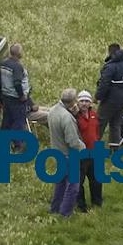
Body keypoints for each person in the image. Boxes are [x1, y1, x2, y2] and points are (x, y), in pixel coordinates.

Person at [48, 88, 85, 218]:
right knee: (73, 186)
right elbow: (72, 142)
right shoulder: (67, 118)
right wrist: (83, 147)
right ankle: (65, 213)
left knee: (60, 183)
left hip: (57, 152)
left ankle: (55, 208)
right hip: (69, 155)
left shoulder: (53, 110)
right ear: (73, 101)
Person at [95, 42, 123, 146]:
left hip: (110, 100)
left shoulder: (110, 67)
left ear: (110, 52)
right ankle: (115, 148)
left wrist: (97, 97)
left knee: (100, 122)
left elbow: (104, 85)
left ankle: (93, 147)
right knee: (115, 124)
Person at [0, 43, 32, 147]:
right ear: (19, 53)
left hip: (6, 96)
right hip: (16, 98)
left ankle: (2, 142)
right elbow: (17, 82)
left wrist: (0, 95)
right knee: (19, 121)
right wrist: (22, 95)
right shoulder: (17, 66)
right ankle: (18, 144)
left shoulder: (3, 64)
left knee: (7, 120)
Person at [75, 90, 103, 212]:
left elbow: (97, 131)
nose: (84, 104)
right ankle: (81, 206)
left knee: (96, 179)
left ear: (91, 103)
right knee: (79, 181)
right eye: (82, 101)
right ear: (78, 102)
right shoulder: (74, 117)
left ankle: (97, 203)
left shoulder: (94, 115)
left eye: (87, 101)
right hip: (81, 153)